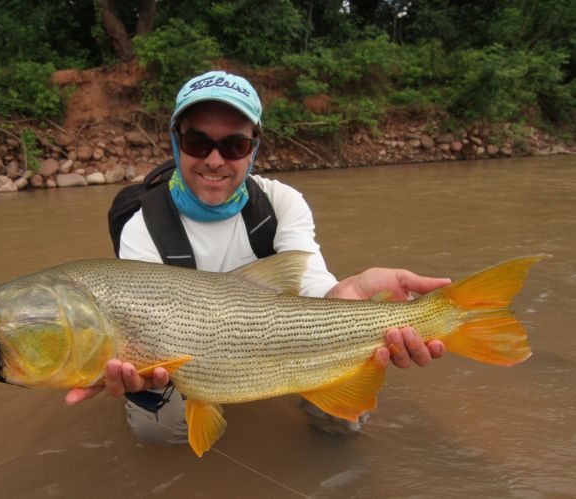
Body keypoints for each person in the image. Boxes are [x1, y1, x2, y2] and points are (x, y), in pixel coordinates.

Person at [66, 70, 448, 442]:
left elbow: (312, 284)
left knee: (344, 419)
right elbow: (140, 329)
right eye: (198, 143)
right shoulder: (142, 224)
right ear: (175, 142)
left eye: (234, 145)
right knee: (158, 429)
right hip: (184, 358)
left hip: (277, 341)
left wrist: (348, 293)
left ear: (254, 148)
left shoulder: (281, 203)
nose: (215, 160)